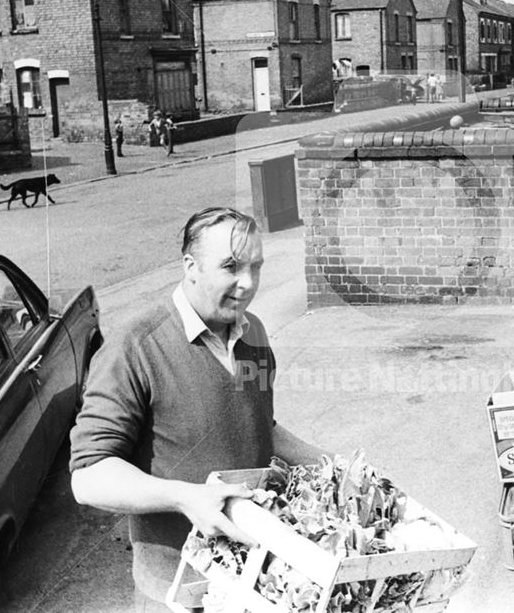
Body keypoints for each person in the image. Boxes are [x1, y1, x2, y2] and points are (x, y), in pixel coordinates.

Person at [69, 207, 326, 610]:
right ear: (190, 266)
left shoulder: (253, 332)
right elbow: (88, 477)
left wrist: (329, 463)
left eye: (256, 267)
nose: (248, 283)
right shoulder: (134, 345)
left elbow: (260, 426)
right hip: (176, 593)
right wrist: (184, 497)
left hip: (253, 582)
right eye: (231, 267)